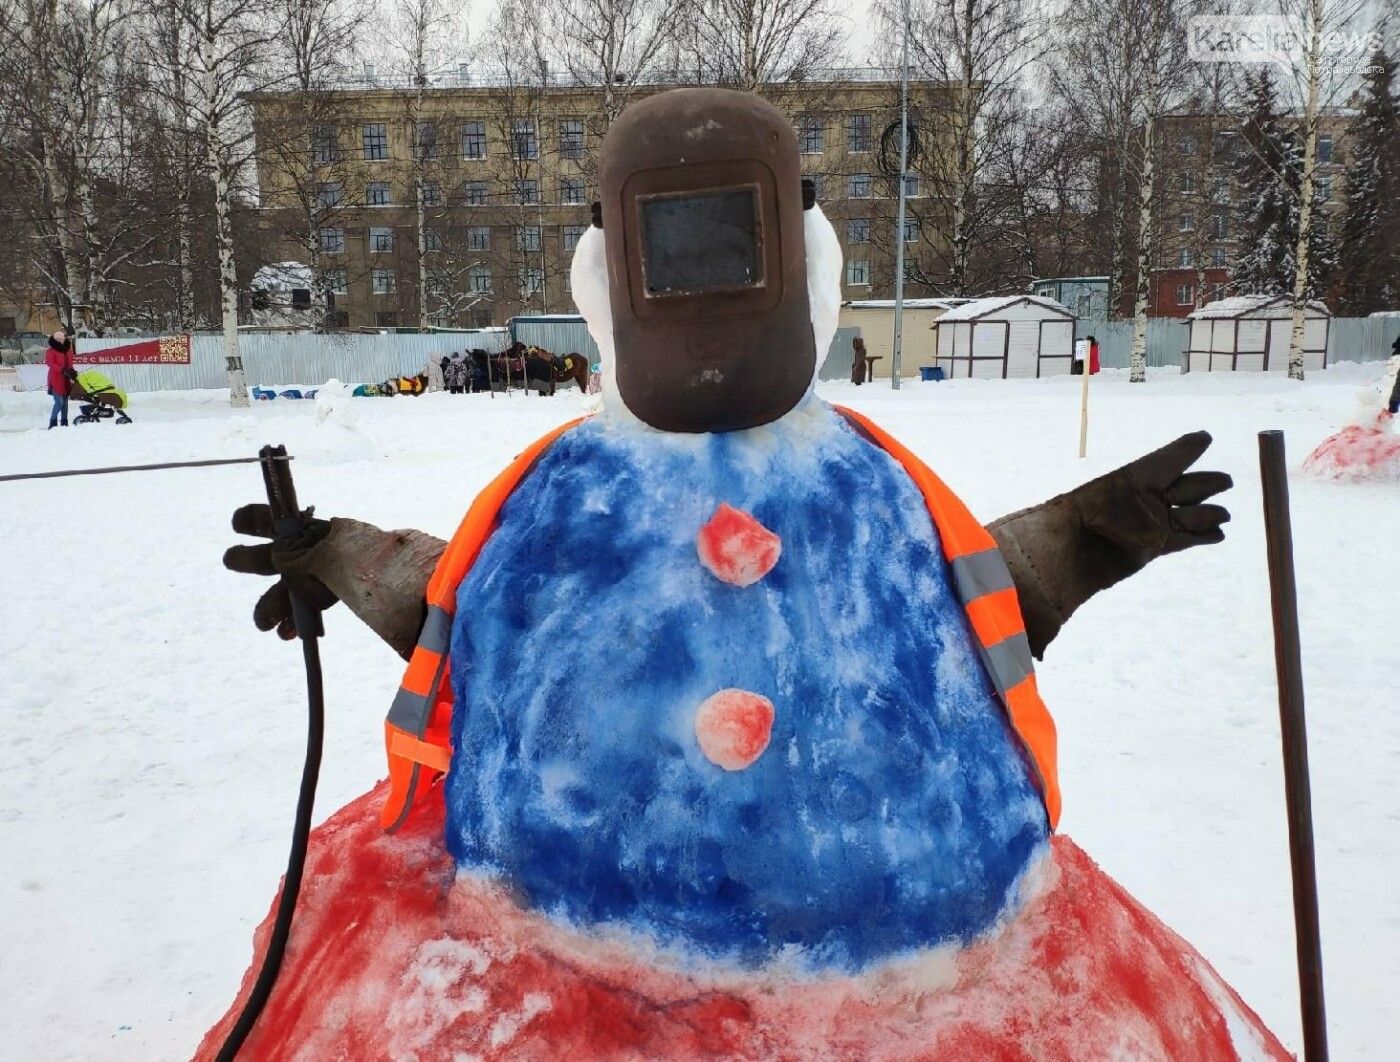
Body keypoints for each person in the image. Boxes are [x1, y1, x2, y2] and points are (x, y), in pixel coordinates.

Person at [45, 328, 75, 429]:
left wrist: (72, 371)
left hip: (66, 379)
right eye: (58, 339)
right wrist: (61, 369)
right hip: (55, 379)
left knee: (65, 403)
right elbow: (50, 363)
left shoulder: (68, 351)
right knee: (59, 402)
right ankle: (53, 422)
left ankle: (64, 423)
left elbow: (70, 363)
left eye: (62, 339)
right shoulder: (51, 351)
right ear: (55, 340)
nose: (60, 341)